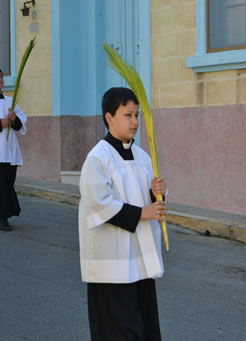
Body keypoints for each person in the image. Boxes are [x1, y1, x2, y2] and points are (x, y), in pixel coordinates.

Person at [78, 87, 168, 340]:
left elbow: (148, 201)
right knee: (120, 328)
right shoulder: (98, 158)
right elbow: (99, 204)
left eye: (137, 115)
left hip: (138, 257)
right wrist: (143, 212)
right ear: (109, 118)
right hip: (112, 261)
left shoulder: (141, 156)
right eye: (128, 115)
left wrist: (156, 193)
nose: (135, 122)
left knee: (143, 322)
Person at [0, 69, 27, 231]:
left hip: (9, 150)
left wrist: (13, 119)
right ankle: (3, 218)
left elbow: (21, 123)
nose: (1, 80)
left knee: (8, 182)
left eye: (1, 77)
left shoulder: (10, 101)